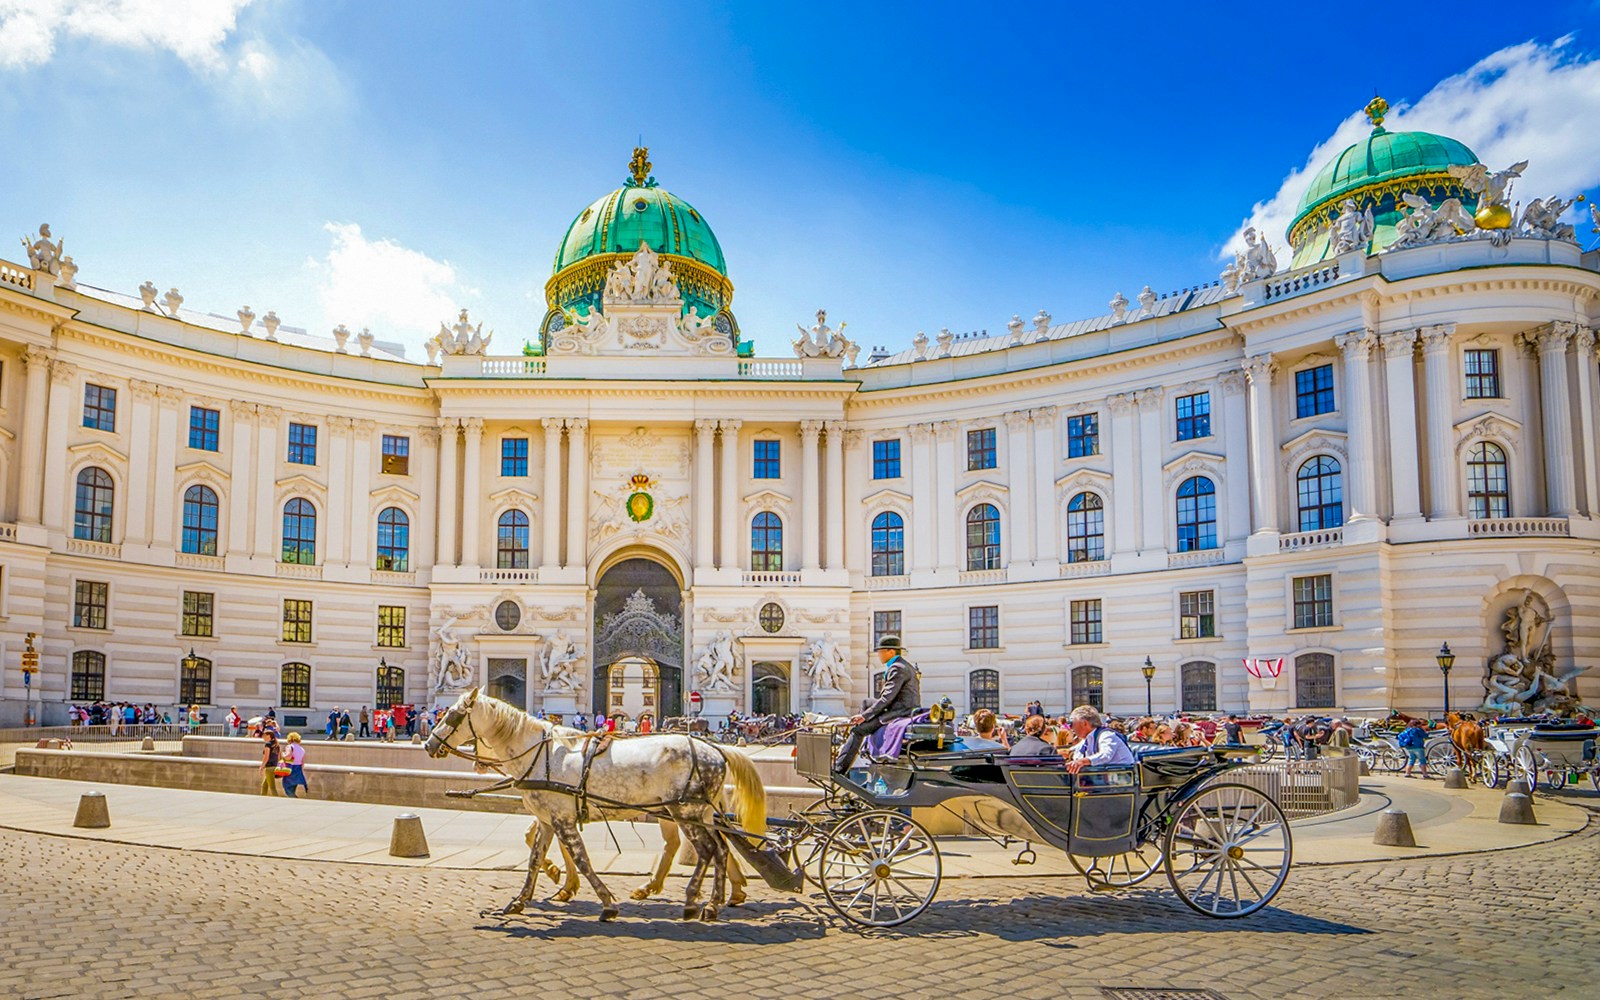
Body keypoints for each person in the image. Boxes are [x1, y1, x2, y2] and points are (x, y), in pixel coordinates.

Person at [832, 634, 921, 773]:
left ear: (891, 652)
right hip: (899, 706)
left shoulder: (897, 668)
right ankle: (861, 736)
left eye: (880, 651)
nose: (878, 655)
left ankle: (839, 768)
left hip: (900, 711)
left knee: (858, 730)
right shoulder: (901, 665)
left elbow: (887, 699)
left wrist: (864, 717)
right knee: (867, 702)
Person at [1064, 705, 1135, 774]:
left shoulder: (1106, 735)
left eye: (1072, 724)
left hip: (1121, 777)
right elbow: (1074, 751)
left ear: (1084, 723)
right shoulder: (1088, 738)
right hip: (1104, 777)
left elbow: (1105, 755)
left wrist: (1082, 762)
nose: (1071, 728)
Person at [282, 732, 308, 797]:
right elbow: (302, 762)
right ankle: (293, 799)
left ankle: (294, 798)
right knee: (293, 787)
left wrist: (283, 755)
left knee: (287, 786)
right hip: (298, 769)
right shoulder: (301, 749)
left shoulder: (290, 747)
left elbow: (288, 756)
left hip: (290, 768)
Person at [260, 731, 282, 796]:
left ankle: (276, 799)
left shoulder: (268, 744)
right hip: (274, 766)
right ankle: (262, 798)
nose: (263, 737)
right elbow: (279, 757)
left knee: (272, 787)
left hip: (269, 767)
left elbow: (266, 757)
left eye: (264, 735)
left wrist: (261, 767)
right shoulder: (276, 744)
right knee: (264, 785)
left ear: (268, 736)